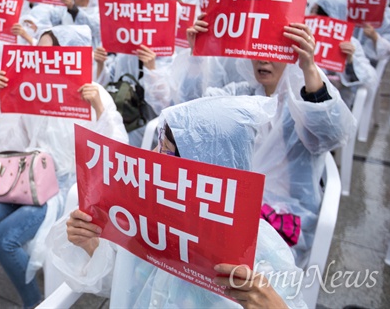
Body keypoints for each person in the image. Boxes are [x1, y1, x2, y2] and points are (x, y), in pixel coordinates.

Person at [47, 95, 308, 308]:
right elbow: (120, 285)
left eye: (168, 152)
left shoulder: (260, 258)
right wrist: (90, 243)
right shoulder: (146, 220)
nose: (154, 158)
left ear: (210, 171)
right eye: (158, 146)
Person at [0, 25, 127, 309]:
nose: (42, 57)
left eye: (51, 51)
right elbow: (9, 140)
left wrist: (99, 109)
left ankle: (35, 303)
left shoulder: (94, 93)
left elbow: (116, 151)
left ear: (69, 55)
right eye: (38, 50)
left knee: (4, 238)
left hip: (63, 187)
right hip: (23, 175)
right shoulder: (29, 88)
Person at [188, 15, 355, 267]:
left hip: (285, 221)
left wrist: (308, 66)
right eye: (258, 50)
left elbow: (330, 134)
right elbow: (195, 112)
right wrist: (198, 55)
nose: (263, 59)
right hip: (235, 209)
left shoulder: (303, 101)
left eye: (274, 51)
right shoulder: (241, 93)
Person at [312, 0, 378, 107]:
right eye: (312, 11)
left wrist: (350, 61)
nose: (314, 16)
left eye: (320, 13)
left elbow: (369, 78)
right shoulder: (302, 37)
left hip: (335, 104)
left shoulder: (350, 43)